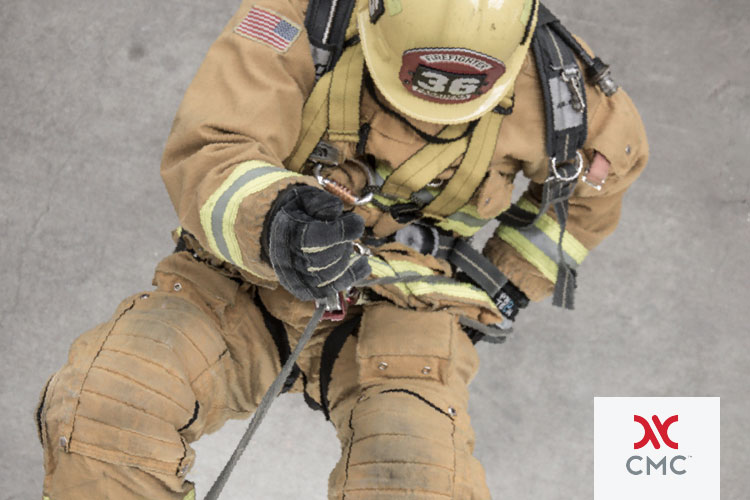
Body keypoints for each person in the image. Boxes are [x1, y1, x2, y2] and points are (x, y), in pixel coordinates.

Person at [35, 0, 648, 498]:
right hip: (244, 280)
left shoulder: (564, 88)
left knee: (416, 480)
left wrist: (503, 287)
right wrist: (277, 224)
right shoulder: (296, 20)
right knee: (107, 408)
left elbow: (599, 186)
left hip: (402, 311)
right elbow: (214, 146)